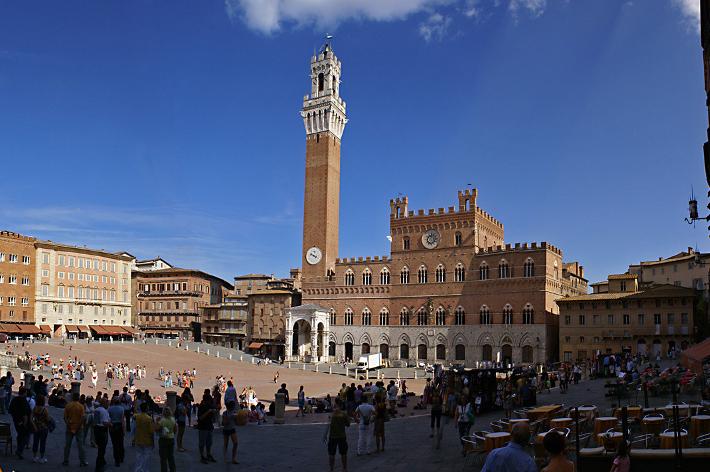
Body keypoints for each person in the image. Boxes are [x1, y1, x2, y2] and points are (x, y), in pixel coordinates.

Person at [63, 392, 88, 466]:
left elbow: (65, 418)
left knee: (67, 445)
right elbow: (82, 418)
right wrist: (77, 426)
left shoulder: (68, 405)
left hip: (70, 426)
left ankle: (66, 460)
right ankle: (82, 461)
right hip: (79, 428)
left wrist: (69, 425)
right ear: (79, 398)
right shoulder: (81, 406)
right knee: (81, 446)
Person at [327, 400, 350, 472]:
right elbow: (348, 424)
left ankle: (331, 469)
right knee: (343, 453)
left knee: (331, 453)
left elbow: (328, 425)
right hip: (342, 435)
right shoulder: (343, 414)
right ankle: (344, 468)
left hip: (332, 436)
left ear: (336, 404)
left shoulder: (331, 414)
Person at [9, 386, 31, 460]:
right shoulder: (23, 401)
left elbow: (10, 410)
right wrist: (24, 423)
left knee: (20, 435)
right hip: (23, 422)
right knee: (24, 436)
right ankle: (19, 451)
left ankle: (19, 448)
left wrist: (15, 418)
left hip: (16, 420)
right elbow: (25, 414)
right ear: (24, 393)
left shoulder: (14, 399)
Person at [197, 390, 217, 464]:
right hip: (202, 427)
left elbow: (213, 417)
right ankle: (202, 456)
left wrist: (214, 413)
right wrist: (208, 411)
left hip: (209, 426)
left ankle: (208, 454)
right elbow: (200, 418)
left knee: (209, 442)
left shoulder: (210, 406)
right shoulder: (201, 407)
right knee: (202, 443)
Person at [134, 401, 154, 472]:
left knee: (138, 456)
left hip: (138, 438)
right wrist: (153, 441)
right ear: (146, 409)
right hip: (147, 440)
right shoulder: (149, 419)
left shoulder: (137, 417)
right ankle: (144, 469)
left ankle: (138, 469)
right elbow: (151, 431)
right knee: (146, 457)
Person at [93, 396, 112, 472]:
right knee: (102, 449)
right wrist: (110, 424)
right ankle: (99, 466)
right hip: (102, 430)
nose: (108, 404)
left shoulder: (96, 410)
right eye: (107, 403)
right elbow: (104, 422)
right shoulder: (104, 411)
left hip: (96, 430)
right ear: (104, 403)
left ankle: (102, 461)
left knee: (100, 448)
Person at [31, 394, 50, 463]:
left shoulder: (35, 408)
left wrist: (34, 425)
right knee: (42, 443)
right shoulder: (45, 410)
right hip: (44, 428)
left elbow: (31, 418)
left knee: (35, 442)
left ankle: (34, 457)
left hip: (36, 427)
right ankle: (42, 458)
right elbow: (47, 419)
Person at [108, 396, 126, 466]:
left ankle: (117, 460)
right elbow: (122, 420)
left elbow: (108, 418)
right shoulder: (121, 408)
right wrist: (124, 429)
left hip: (112, 426)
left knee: (115, 444)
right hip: (119, 426)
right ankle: (121, 457)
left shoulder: (110, 409)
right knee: (121, 443)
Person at [158, 406, 177, 472]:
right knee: (171, 456)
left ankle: (164, 470)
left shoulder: (162, 420)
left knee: (163, 458)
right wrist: (171, 433)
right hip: (171, 438)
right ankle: (173, 470)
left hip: (163, 439)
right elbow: (175, 429)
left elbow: (157, 428)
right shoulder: (173, 419)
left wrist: (157, 422)